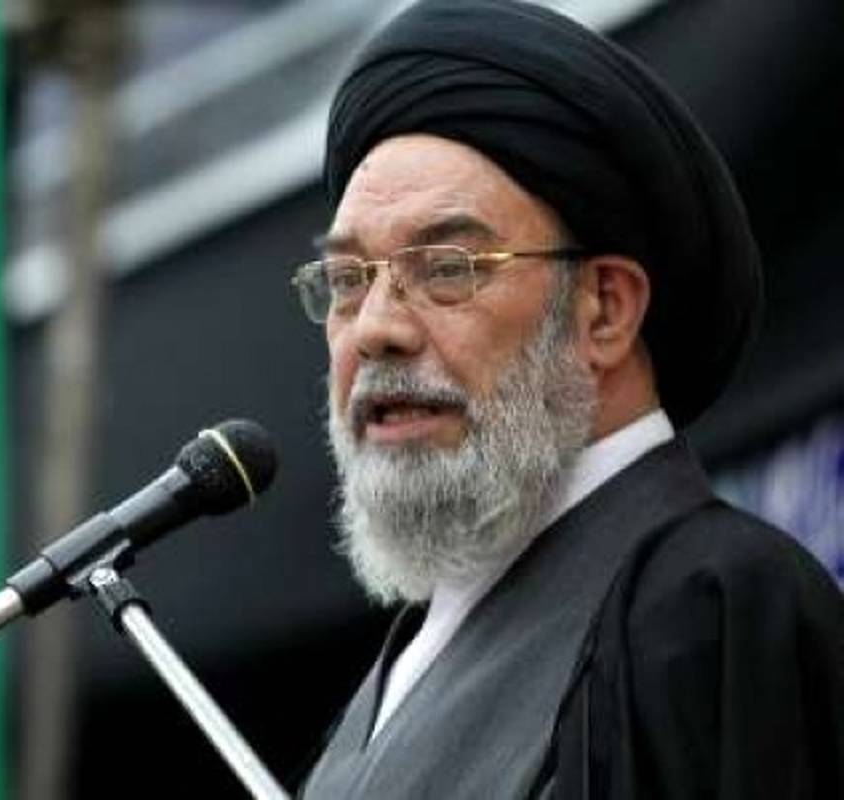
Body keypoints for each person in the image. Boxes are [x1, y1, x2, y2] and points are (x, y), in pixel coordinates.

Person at [291, 1, 844, 797]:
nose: (376, 328)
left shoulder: (712, 606)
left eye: (446, 268)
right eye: (348, 280)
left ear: (606, 310)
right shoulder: (404, 665)